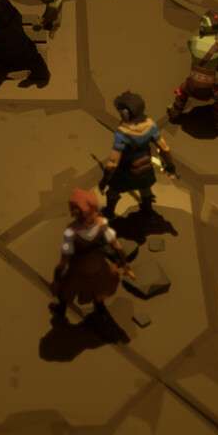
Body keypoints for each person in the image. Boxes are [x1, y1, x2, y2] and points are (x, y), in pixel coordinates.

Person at [50, 188, 131, 322]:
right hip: (99, 265)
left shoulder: (71, 232)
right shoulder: (101, 223)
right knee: (98, 289)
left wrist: (56, 279)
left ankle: (61, 311)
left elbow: (64, 261)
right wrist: (125, 264)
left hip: (78, 269)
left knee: (66, 291)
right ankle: (100, 310)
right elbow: (117, 246)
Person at [102, 90, 174, 218]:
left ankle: (109, 211)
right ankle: (147, 211)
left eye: (120, 110)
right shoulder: (150, 125)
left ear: (126, 112)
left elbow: (113, 161)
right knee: (145, 188)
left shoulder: (122, 133)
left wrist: (105, 179)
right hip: (145, 166)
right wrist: (170, 165)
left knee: (113, 192)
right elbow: (164, 148)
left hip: (126, 170)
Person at [168, 10, 218, 125]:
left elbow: (204, 53)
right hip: (207, 90)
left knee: (182, 91)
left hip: (190, 85)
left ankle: (175, 112)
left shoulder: (193, 41)